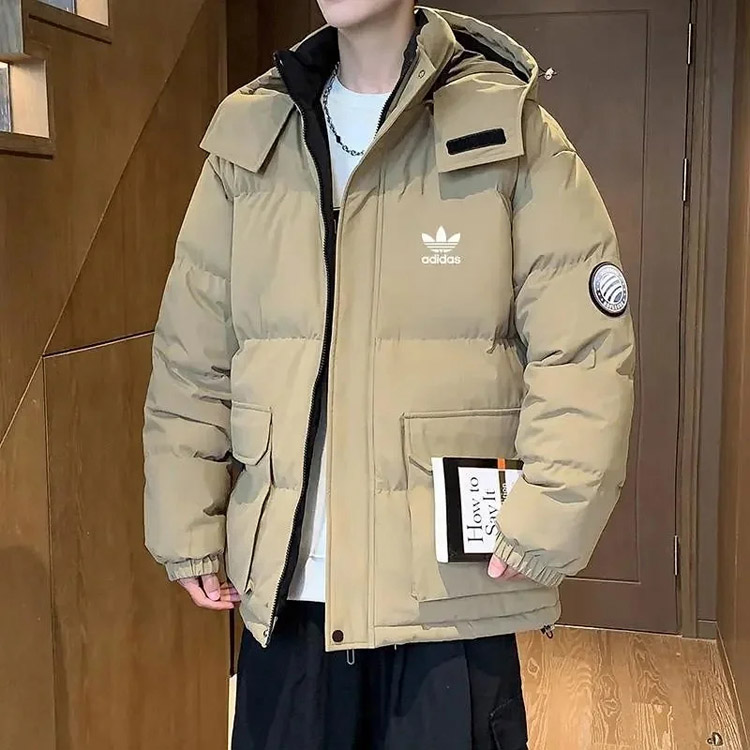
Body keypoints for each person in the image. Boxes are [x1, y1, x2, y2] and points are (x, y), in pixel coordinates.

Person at [142, 1, 636, 748]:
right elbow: (193, 354)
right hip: (288, 593)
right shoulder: (250, 139)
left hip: (445, 602)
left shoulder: (513, 130)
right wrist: (187, 519)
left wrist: (548, 515)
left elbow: (583, 350)